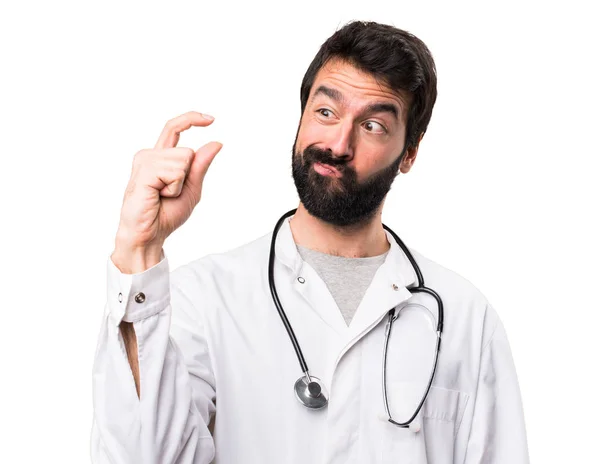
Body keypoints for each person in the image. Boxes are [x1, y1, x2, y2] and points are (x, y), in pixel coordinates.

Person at [91, 20, 529, 463]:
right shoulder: (202, 300)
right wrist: (138, 250)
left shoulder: (464, 318)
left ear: (409, 153)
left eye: (373, 125)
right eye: (325, 112)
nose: (338, 143)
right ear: (301, 118)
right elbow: (139, 456)